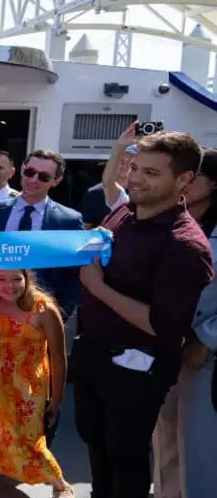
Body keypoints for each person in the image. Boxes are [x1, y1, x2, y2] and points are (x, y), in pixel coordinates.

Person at [73, 131, 213, 498]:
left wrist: (98, 287)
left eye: (151, 173)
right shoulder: (125, 210)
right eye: (135, 167)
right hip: (94, 354)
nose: (135, 178)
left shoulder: (185, 245)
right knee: (96, 445)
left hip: (138, 370)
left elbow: (165, 328)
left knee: (126, 460)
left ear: (184, 180)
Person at [0, 270, 73, 498]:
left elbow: (58, 357)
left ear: (27, 279)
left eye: (16, 279)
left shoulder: (44, 309)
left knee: (25, 437)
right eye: (1, 279)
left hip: (26, 387)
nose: (9, 286)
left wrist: (56, 399)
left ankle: (59, 483)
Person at [152, 147, 217, 498]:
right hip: (165, 350)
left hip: (204, 360)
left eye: (194, 175)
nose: (185, 181)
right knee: (166, 443)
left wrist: (206, 340)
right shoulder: (171, 223)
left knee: (201, 451)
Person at [0, 149, 84, 317]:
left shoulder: (69, 220)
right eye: (30, 172)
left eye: (43, 177)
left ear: (56, 181)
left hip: (42, 314)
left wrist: (58, 315)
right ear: (22, 169)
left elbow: (74, 275)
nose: (33, 180)